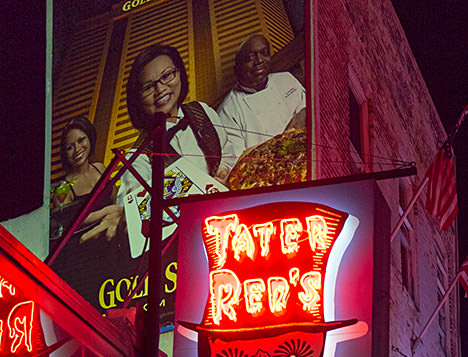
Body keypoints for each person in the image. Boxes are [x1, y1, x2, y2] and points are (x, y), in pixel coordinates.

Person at [84, 43, 240, 248]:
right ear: (138, 99)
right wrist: (125, 214)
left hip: (234, 214)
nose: (160, 89)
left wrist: (224, 171)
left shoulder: (202, 110)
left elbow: (227, 149)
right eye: (148, 87)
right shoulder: (139, 155)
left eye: (167, 76)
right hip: (189, 240)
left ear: (180, 74)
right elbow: (132, 202)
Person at [217, 34, 306, 160]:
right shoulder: (227, 113)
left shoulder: (286, 78)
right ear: (236, 69)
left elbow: (309, 110)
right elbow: (240, 160)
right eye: (250, 57)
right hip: (272, 170)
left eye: (264, 53)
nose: (259, 60)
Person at [49, 116, 112, 241]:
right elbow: (68, 224)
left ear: (89, 138)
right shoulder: (64, 188)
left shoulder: (100, 168)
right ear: (65, 154)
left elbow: (115, 199)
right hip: (88, 243)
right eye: (70, 147)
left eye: (81, 140)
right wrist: (107, 212)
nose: (77, 149)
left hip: (112, 229)